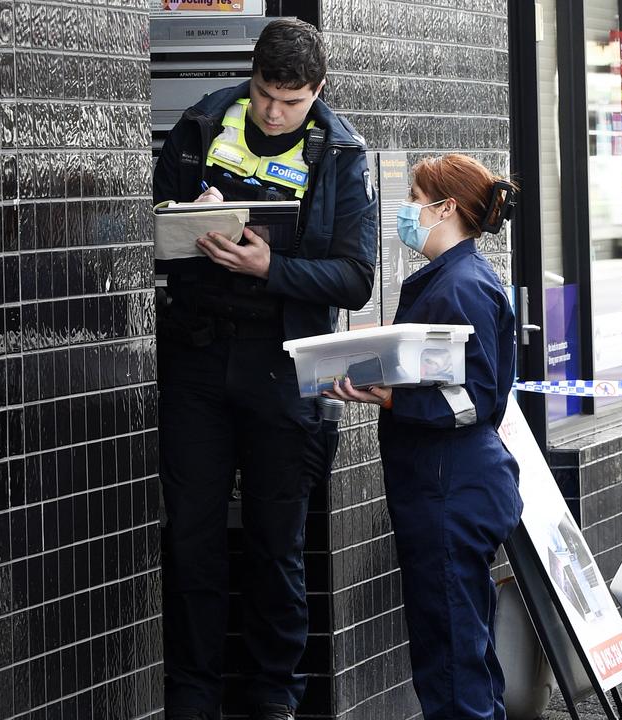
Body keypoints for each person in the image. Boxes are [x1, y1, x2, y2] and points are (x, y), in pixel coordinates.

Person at [151, 18, 377, 720]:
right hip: (197, 353)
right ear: (249, 77)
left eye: (291, 100)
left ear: (318, 90)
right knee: (191, 537)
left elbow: (355, 278)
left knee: (278, 544)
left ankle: (273, 700)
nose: (274, 111)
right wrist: (187, 220)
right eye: (264, 94)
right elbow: (144, 229)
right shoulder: (200, 123)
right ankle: (192, 698)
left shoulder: (340, 151)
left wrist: (271, 267)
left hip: (284, 362)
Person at [324, 154, 522, 720]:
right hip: (453, 484)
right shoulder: (458, 279)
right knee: (463, 653)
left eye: (415, 198)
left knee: (453, 661)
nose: (407, 211)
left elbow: (471, 399)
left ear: (446, 208)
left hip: (449, 487)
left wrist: (386, 393)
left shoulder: (458, 287)